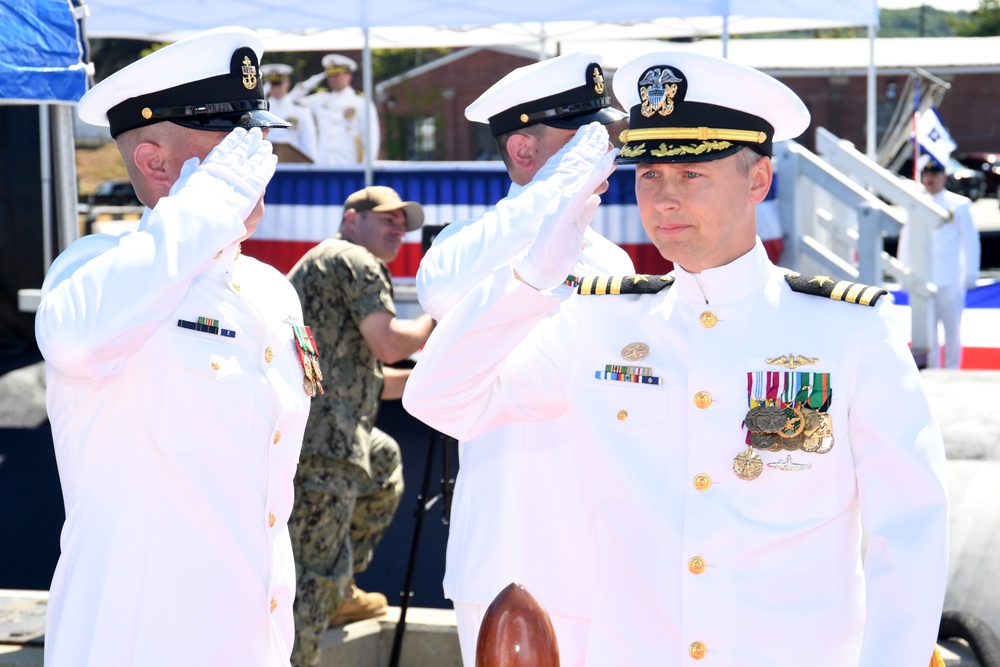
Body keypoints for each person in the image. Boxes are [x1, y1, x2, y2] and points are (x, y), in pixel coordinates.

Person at [403, 51, 949, 666]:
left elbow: (910, 530)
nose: (665, 199)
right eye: (650, 176)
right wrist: (530, 281)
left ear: (758, 181)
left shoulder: (847, 332)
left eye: (693, 176)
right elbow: (440, 399)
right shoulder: (600, 322)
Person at [35, 27, 313, 667]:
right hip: (135, 644)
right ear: (156, 163)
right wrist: (205, 207)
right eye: (233, 142)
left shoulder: (269, 291)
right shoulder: (97, 271)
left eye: (259, 137)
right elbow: (74, 339)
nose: (258, 157)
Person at [415, 52, 633, 667]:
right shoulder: (464, 244)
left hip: (599, 557)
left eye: (606, 136)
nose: (605, 151)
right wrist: (553, 193)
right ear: (524, 151)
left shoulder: (613, 262)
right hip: (508, 562)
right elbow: (442, 290)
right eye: (585, 139)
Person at [286, 185, 435, 667]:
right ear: (352, 219)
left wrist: (436, 378)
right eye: (386, 219)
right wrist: (443, 314)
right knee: (312, 575)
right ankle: (309, 632)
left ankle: (341, 589)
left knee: (385, 459)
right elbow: (391, 344)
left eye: (402, 224)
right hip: (325, 449)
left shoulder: (318, 264)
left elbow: (366, 377)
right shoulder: (354, 260)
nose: (398, 229)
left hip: (311, 436)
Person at [898, 157, 981, 369]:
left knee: (952, 332)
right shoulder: (915, 202)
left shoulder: (959, 205)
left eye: (933, 175)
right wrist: (903, 273)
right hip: (923, 278)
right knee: (927, 332)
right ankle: (933, 371)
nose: (929, 179)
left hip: (951, 278)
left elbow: (970, 242)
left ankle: (953, 371)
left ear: (943, 177)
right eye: (925, 175)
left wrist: (971, 273)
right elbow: (906, 239)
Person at [299, 54, 380, 166]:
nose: (332, 78)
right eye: (330, 75)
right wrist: (314, 80)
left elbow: (371, 140)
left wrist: (365, 169)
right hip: (323, 165)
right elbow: (293, 101)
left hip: (349, 166)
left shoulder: (361, 103)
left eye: (337, 74)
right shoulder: (320, 100)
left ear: (348, 76)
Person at [261, 63, 319, 163]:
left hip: (294, 163)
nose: (275, 89)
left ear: (287, 83)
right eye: (272, 85)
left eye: (278, 84)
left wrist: (310, 163)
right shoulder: (262, 110)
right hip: (265, 162)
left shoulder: (299, 109)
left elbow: (308, 141)